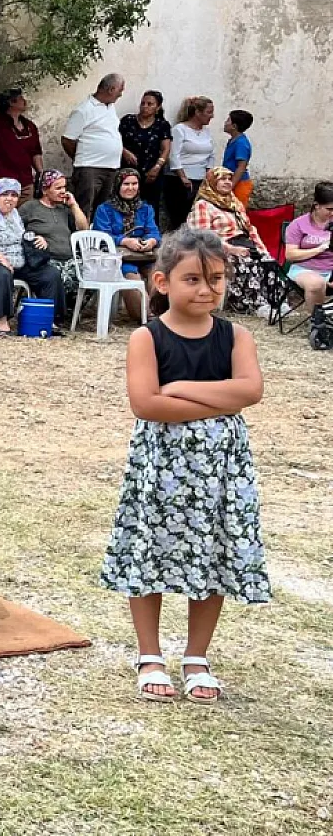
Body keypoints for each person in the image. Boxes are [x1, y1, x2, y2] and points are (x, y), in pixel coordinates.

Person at [101, 229, 268, 703]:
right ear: (161, 282)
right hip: (162, 470)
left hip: (221, 472)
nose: (207, 289)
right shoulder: (145, 338)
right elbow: (147, 404)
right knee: (149, 553)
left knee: (211, 555)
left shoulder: (236, 336)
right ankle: (149, 652)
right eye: (193, 279)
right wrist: (214, 400)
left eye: (216, 279)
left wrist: (179, 390)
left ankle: (197, 655)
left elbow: (250, 391)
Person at [0, 178, 66, 336]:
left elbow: (19, 237)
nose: (10, 199)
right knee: (2, 272)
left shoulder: (14, 214)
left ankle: (48, 320)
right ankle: (1, 323)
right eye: (5, 194)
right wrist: (0, 258)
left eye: (14, 195)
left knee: (50, 273)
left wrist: (38, 239)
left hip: (16, 261)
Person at [186, 167, 275, 316]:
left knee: (268, 261)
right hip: (218, 247)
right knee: (243, 261)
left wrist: (262, 248)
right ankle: (252, 304)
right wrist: (231, 249)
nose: (227, 182)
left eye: (229, 179)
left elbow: (250, 229)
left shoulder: (235, 203)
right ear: (213, 182)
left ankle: (274, 302)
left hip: (243, 242)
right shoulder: (203, 205)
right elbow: (203, 236)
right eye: (222, 179)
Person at [91, 168, 162, 320]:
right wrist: (124, 241)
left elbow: (154, 231)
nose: (131, 188)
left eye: (134, 184)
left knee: (156, 273)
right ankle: (147, 316)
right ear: (117, 186)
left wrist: (150, 241)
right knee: (131, 273)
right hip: (116, 258)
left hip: (143, 256)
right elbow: (102, 236)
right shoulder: (104, 209)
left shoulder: (145, 208)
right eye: (126, 184)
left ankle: (162, 314)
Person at [18, 168, 90, 315]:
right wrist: (33, 236)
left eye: (64, 187)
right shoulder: (30, 207)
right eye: (58, 188)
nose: (63, 191)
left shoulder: (64, 209)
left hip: (69, 259)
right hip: (46, 260)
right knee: (58, 275)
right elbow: (16, 230)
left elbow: (84, 229)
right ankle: (56, 313)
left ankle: (71, 310)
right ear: (45, 190)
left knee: (92, 273)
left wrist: (74, 205)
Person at [60, 72, 126, 213]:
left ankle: (100, 235)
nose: (121, 94)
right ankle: (81, 235)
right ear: (111, 90)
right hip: (90, 167)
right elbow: (67, 140)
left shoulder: (110, 107)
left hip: (111, 167)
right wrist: (82, 157)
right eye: (120, 90)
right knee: (85, 208)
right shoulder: (84, 110)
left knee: (104, 210)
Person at [165, 96, 217, 231]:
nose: (212, 116)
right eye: (209, 112)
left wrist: (208, 174)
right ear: (197, 113)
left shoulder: (206, 131)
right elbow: (174, 155)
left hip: (201, 179)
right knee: (180, 218)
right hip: (180, 180)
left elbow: (211, 154)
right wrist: (183, 177)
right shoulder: (179, 129)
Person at [283, 182, 333, 313]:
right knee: (316, 284)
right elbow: (290, 255)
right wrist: (320, 249)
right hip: (304, 269)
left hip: (331, 269)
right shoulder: (298, 225)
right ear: (316, 206)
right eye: (329, 209)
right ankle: (318, 324)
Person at [118, 91, 173, 205]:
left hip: (151, 171)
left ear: (157, 108)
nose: (145, 107)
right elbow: (115, 140)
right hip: (128, 171)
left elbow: (165, 149)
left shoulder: (162, 125)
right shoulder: (128, 121)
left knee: (150, 205)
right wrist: (124, 151)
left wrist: (157, 167)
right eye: (143, 103)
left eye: (149, 104)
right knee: (125, 203)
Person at [221, 109, 255, 206]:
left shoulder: (241, 143)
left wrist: (230, 185)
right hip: (231, 181)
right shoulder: (233, 140)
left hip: (239, 184)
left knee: (237, 211)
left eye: (228, 120)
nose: (225, 123)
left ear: (234, 126)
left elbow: (241, 167)